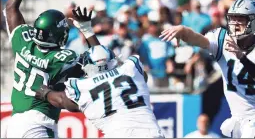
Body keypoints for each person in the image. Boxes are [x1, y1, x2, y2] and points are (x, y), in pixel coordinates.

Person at [160, 0, 255, 138]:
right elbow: (199, 39)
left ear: (254, 21)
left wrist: (242, 57)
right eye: (233, 18)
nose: (235, 23)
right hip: (237, 119)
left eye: (241, 19)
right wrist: (184, 31)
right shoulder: (222, 39)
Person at [3, 0, 99, 138]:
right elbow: (100, 61)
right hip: (38, 124)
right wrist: (87, 31)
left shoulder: (22, 41)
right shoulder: (62, 58)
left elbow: (10, 7)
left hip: (15, 123)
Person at [35, 45, 164, 138]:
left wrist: (44, 91)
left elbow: (62, 100)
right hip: (152, 133)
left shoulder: (82, 86)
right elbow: (144, 77)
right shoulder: (131, 69)